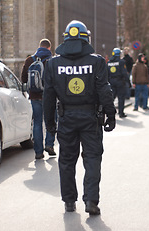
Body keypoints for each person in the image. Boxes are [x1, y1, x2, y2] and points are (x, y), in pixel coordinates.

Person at [43, 20, 116, 215]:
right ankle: (91, 200)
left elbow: (48, 96)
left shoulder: (53, 64)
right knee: (92, 159)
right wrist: (111, 114)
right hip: (90, 117)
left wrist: (49, 123)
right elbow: (104, 90)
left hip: (66, 117)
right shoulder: (97, 62)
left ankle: (69, 201)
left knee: (66, 161)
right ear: (86, 39)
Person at [21, 39, 56, 159]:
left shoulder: (30, 60)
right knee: (50, 121)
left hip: (35, 96)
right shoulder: (52, 60)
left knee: (37, 123)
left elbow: (24, 79)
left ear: (39, 47)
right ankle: (49, 144)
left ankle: (38, 152)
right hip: (50, 97)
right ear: (49, 48)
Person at [108, 48, 129, 118]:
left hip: (111, 82)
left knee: (111, 98)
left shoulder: (109, 62)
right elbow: (124, 73)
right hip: (120, 82)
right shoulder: (121, 62)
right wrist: (128, 82)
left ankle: (109, 113)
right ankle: (121, 113)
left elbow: (106, 73)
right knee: (121, 98)